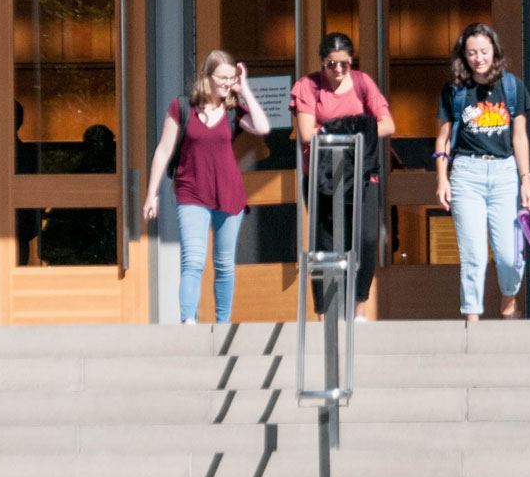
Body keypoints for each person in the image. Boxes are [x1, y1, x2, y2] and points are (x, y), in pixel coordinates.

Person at [144, 50, 271, 324]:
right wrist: (151, 194)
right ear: (207, 76)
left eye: (231, 78)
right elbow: (164, 150)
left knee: (224, 265)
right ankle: (188, 322)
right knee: (193, 260)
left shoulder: (234, 111)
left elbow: (262, 127)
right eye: (222, 78)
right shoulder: (182, 107)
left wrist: (245, 88)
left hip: (229, 194)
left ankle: (222, 325)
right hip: (191, 193)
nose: (227, 83)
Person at [435, 22, 530, 320]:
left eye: (484, 51)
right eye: (471, 53)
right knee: (474, 256)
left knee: (509, 256)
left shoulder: (512, 87)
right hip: (467, 172)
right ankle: (472, 319)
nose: (478, 58)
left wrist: (526, 181)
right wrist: (442, 178)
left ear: (494, 51)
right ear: (463, 56)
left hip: (504, 173)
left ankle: (509, 301)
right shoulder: (455, 91)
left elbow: (520, 137)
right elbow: (442, 139)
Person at [292, 32, 394, 322]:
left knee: (365, 238)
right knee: (325, 243)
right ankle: (325, 312)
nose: (338, 71)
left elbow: (387, 124)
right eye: (331, 65)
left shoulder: (362, 83)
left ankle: (359, 307)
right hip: (323, 177)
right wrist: (357, 126)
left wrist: (335, 128)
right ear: (321, 63)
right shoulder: (308, 86)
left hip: (360, 175)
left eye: (344, 64)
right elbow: (307, 133)